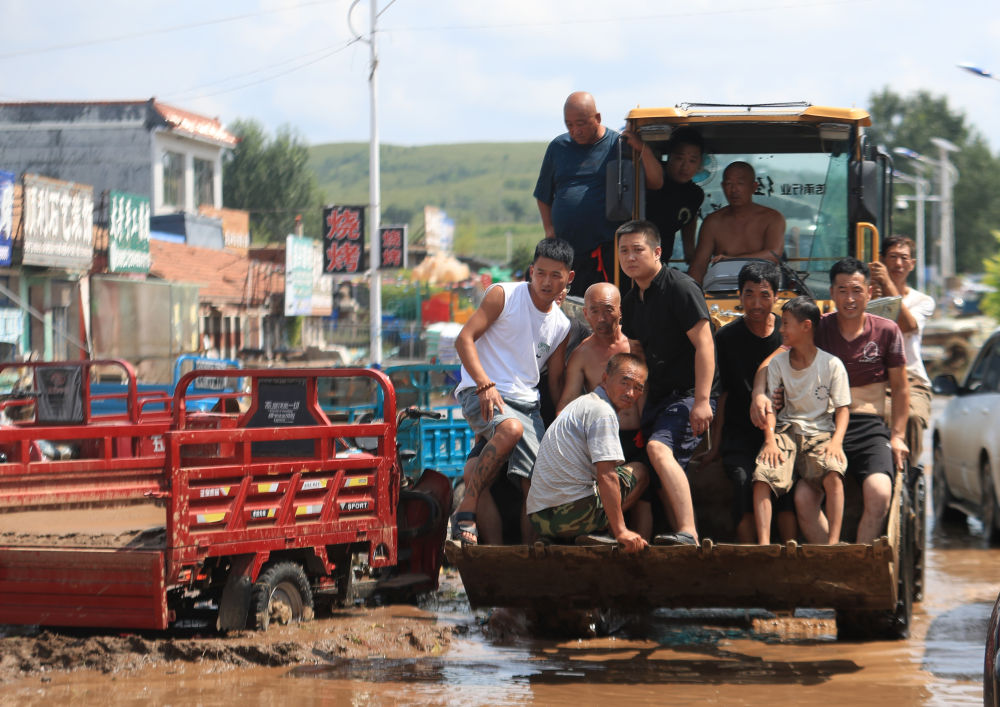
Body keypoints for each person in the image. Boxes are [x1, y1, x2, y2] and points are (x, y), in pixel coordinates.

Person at [754, 258, 909, 544]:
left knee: (880, 493)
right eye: (842, 290)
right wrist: (758, 394)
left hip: (869, 427)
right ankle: (832, 559)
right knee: (803, 498)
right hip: (820, 427)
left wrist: (898, 436)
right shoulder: (817, 327)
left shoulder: (887, 330)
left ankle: (860, 562)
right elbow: (772, 361)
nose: (849, 298)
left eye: (856, 290)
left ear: (870, 292)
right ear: (832, 293)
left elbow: (900, 389)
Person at [451, 238, 574, 546]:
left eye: (556, 275)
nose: (547, 282)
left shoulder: (561, 325)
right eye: (541, 273)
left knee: (538, 482)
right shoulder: (503, 295)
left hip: (527, 405)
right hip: (480, 392)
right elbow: (464, 339)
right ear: (531, 271)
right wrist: (485, 384)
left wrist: (564, 420)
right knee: (511, 429)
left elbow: (556, 382)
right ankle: (467, 509)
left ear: (569, 278)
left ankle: (529, 555)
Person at [618, 219, 717, 546]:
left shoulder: (681, 287)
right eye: (623, 251)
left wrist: (702, 401)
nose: (630, 258)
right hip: (656, 398)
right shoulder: (631, 302)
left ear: (658, 252)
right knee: (644, 469)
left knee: (659, 449)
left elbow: (705, 344)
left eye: (637, 250)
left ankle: (689, 532)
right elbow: (638, 357)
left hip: (689, 395)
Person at [534, 91, 663, 296]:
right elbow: (543, 194)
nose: (575, 130)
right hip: (568, 252)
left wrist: (642, 149)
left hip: (606, 251)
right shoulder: (558, 148)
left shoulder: (619, 145)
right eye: (569, 124)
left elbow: (656, 182)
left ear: (598, 118)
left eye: (581, 123)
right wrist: (549, 230)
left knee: (604, 306)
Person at [556, 282, 652, 538]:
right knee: (611, 488)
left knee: (646, 499)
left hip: (639, 437)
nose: (601, 318)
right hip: (604, 441)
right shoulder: (581, 355)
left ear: (620, 311)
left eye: (608, 310)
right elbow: (566, 404)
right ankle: (604, 530)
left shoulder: (636, 347)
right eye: (594, 310)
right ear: (585, 313)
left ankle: (643, 559)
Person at [527, 353, 650, 552]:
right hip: (568, 517)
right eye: (625, 383)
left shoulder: (580, 404)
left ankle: (568, 533)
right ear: (605, 378)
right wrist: (621, 532)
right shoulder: (602, 412)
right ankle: (604, 529)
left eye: (638, 388)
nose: (630, 392)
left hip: (539, 519)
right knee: (640, 471)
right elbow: (607, 475)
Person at [754, 297, 851, 545]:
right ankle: (764, 545)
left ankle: (833, 544)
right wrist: (770, 441)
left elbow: (842, 409)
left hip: (820, 434)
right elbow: (772, 407)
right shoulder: (777, 363)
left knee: (833, 473)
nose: (781, 329)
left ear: (806, 326)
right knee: (762, 476)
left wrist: (836, 442)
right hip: (786, 432)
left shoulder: (832, 365)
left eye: (786, 324)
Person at [705, 261, 788, 543]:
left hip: (785, 430)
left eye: (764, 295)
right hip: (739, 431)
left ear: (777, 297)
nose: (756, 303)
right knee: (742, 482)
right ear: (739, 296)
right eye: (749, 294)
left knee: (788, 487)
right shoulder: (726, 338)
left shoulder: (787, 336)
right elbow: (723, 395)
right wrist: (714, 447)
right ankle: (750, 557)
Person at [869, 235, 935, 462]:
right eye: (893, 257)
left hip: (911, 380)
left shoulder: (923, 301)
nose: (898, 264)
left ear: (912, 264)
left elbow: (908, 325)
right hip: (870, 378)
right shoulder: (864, 295)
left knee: (912, 417)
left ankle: (907, 474)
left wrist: (887, 284)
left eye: (903, 258)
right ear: (881, 260)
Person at [688, 161, 786, 285]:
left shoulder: (773, 218)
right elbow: (699, 266)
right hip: (722, 289)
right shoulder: (713, 222)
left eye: (740, 183)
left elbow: (774, 255)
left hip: (762, 290)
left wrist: (732, 260)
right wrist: (690, 294)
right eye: (729, 184)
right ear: (723, 186)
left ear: (754, 187)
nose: (734, 190)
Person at [644, 127, 705, 266]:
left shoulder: (695, 194)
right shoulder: (653, 177)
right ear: (669, 156)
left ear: (700, 163)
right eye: (679, 158)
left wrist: (691, 256)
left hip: (662, 260)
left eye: (692, 161)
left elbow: (688, 222)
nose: (685, 167)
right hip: (637, 256)